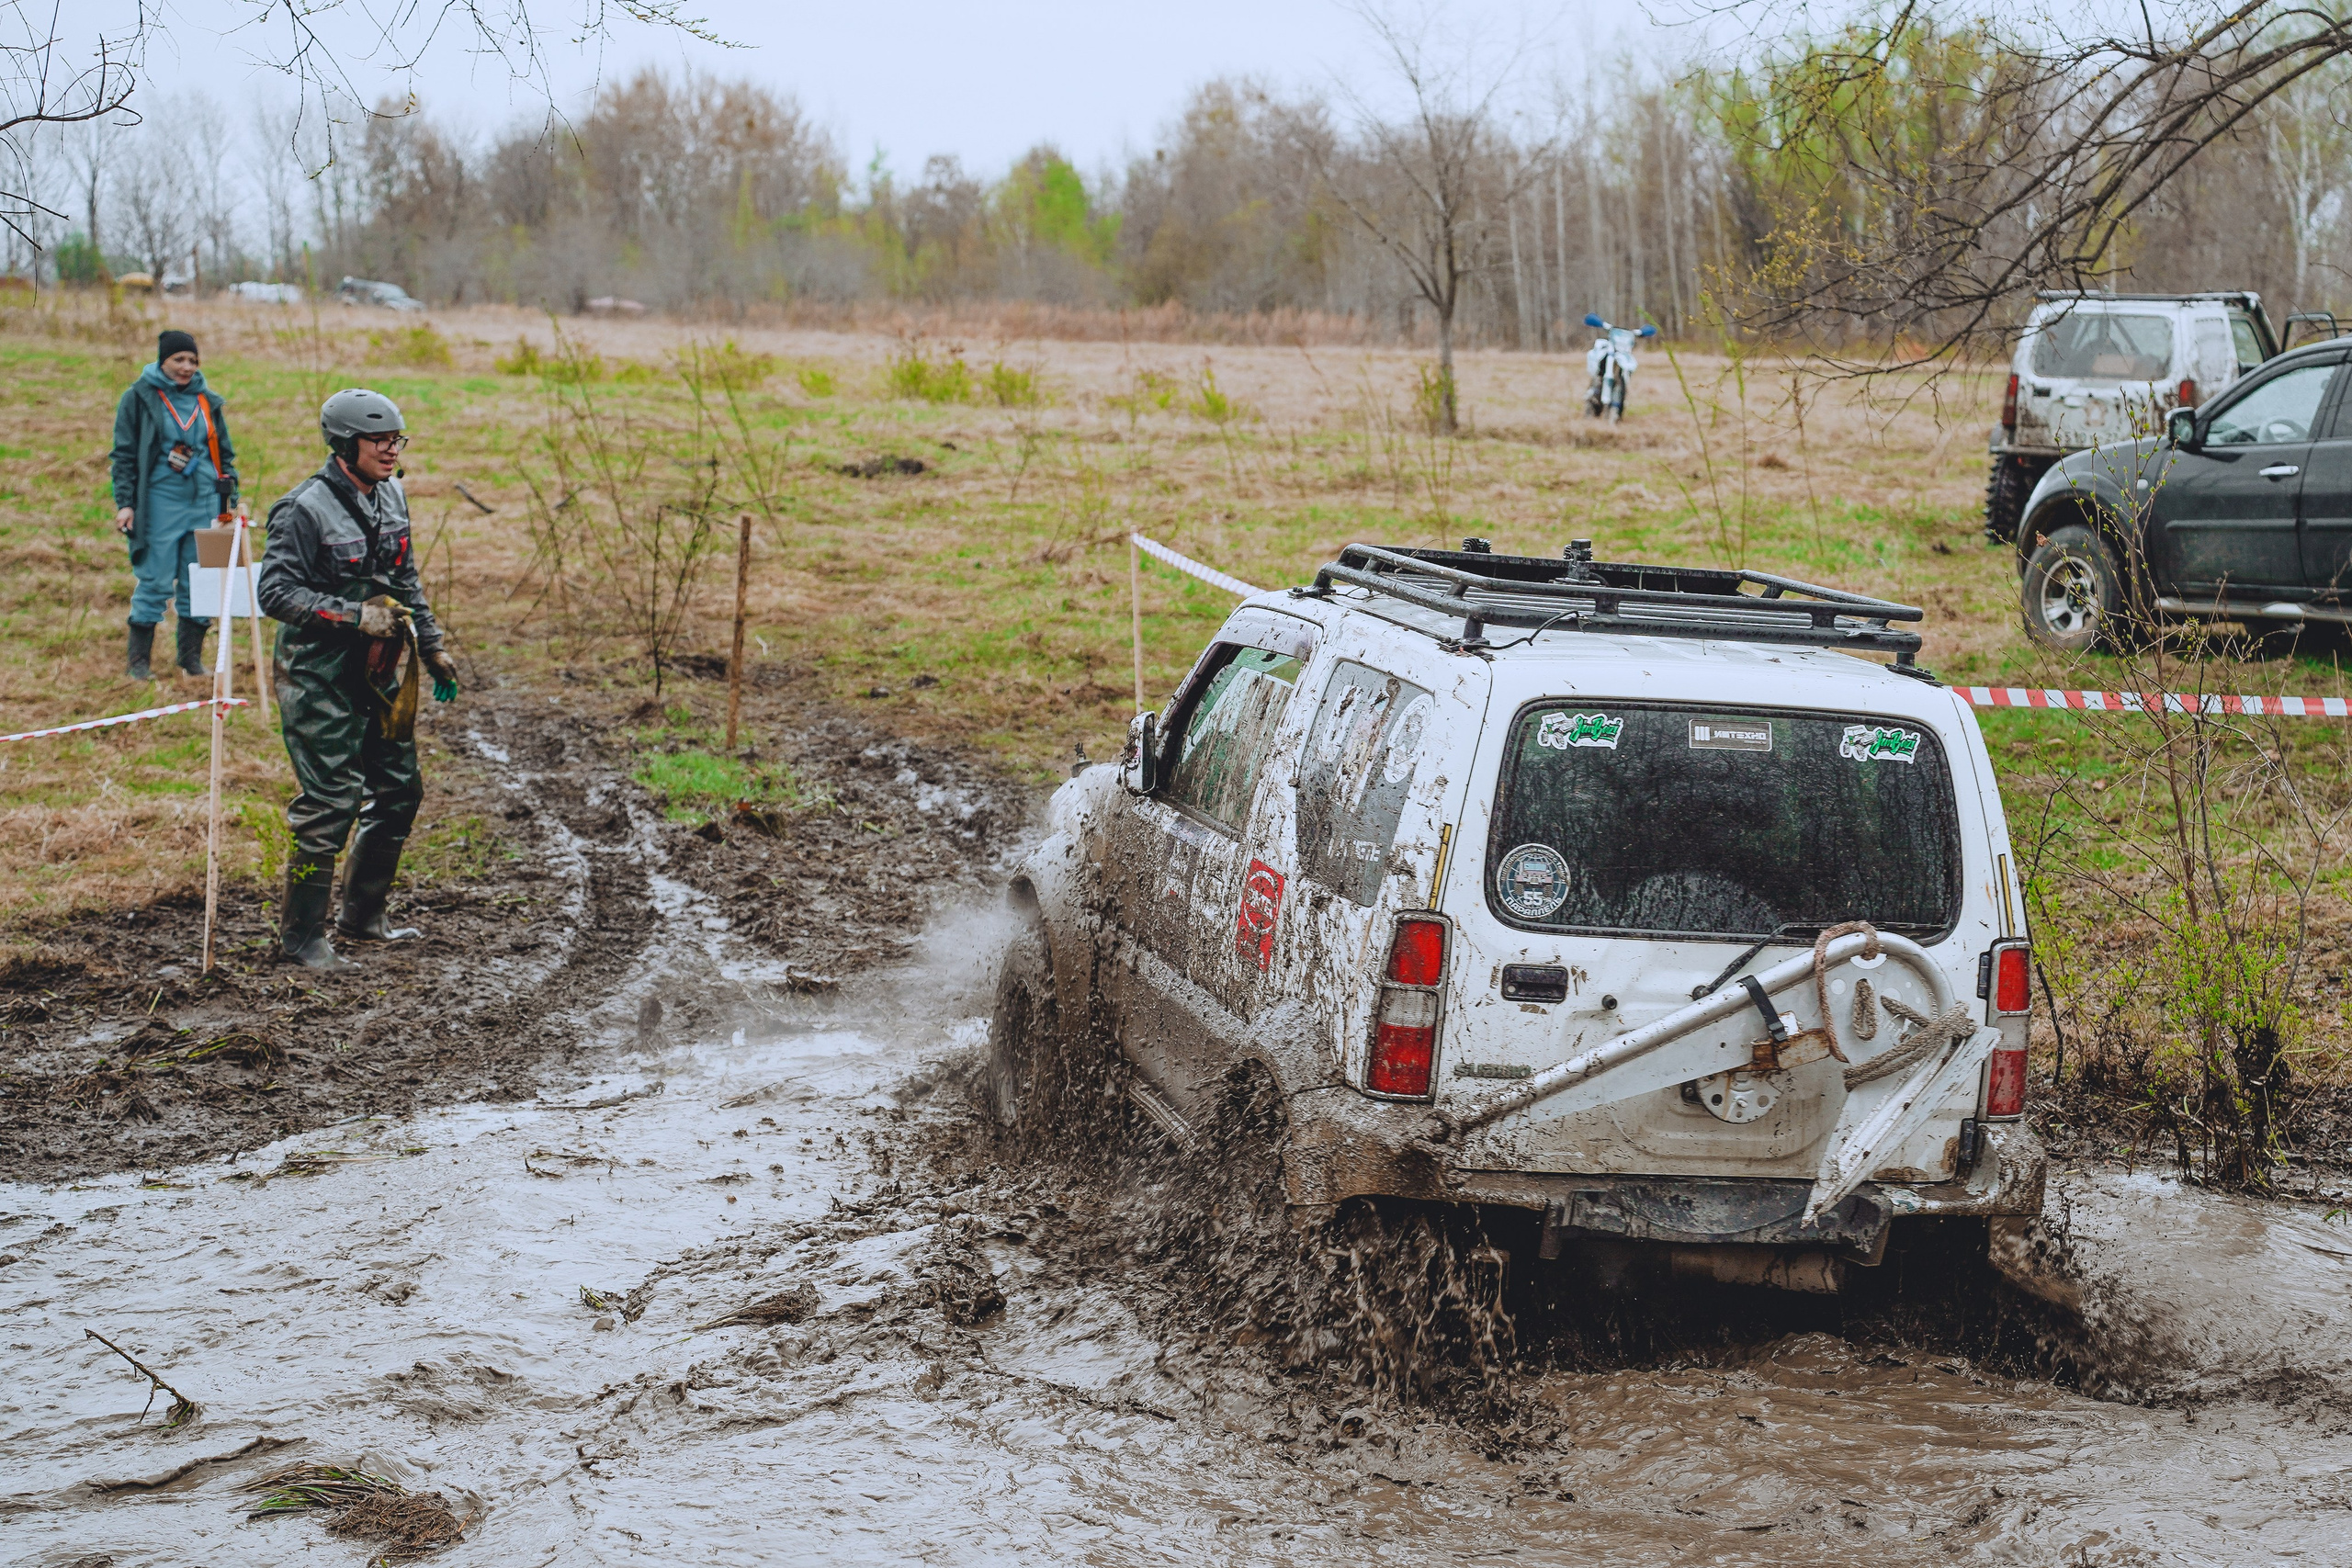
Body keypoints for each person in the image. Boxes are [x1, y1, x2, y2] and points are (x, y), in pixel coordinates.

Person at [256, 389, 461, 969]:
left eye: (397, 439)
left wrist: (433, 645)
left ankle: (363, 916)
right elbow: (274, 592)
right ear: (346, 445)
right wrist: (352, 615)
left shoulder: (391, 494)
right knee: (330, 802)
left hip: (379, 670)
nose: (391, 450)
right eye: (379, 440)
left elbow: (406, 577)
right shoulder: (303, 509)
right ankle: (300, 937)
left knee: (399, 791)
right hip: (317, 675)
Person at [110, 329, 243, 680]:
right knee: (154, 580)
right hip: (159, 503)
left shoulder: (207, 402)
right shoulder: (138, 397)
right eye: (178, 360)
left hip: (204, 504)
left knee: (198, 580)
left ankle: (190, 660)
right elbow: (123, 455)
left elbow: (224, 454)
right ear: (162, 360)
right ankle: (138, 665)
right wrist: (125, 503)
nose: (186, 367)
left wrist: (231, 498)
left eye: (193, 361)